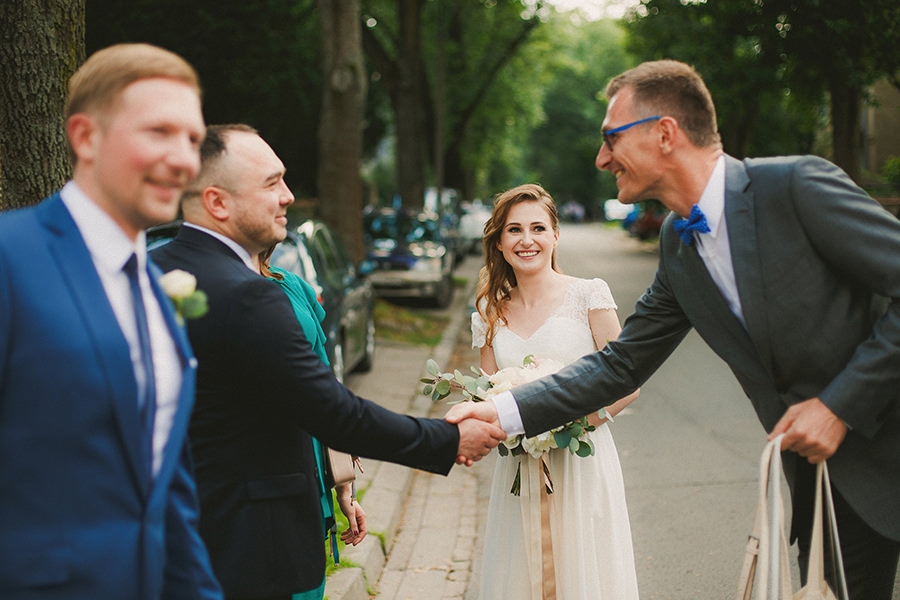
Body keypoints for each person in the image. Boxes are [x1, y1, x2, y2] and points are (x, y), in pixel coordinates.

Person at [448, 59, 900, 600]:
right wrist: (500, 412)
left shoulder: (796, 186)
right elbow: (622, 364)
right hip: (833, 485)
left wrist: (837, 407)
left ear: (664, 133)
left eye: (611, 138)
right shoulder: (677, 243)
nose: (601, 158)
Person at [151, 123, 505, 600]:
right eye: (271, 183)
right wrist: (447, 439)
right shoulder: (249, 295)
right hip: (250, 552)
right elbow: (331, 411)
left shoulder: (148, 273)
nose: (288, 195)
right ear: (217, 202)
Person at [0, 44, 221, 599]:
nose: (183, 160)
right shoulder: (11, 258)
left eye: (192, 139)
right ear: (85, 137)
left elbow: (166, 495)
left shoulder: (153, 289)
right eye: (159, 132)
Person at [472, 184, 639, 599]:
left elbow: (627, 382)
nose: (526, 240)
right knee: (522, 571)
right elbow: (488, 396)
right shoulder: (489, 311)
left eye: (538, 228)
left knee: (585, 569)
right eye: (514, 230)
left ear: (555, 235)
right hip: (521, 467)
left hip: (583, 460)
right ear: (499, 241)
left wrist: (571, 427)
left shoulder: (588, 294)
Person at [259, 244, 366, 600]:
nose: (282, 215)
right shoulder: (214, 286)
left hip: (308, 478)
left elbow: (326, 390)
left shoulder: (293, 285)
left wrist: (344, 487)